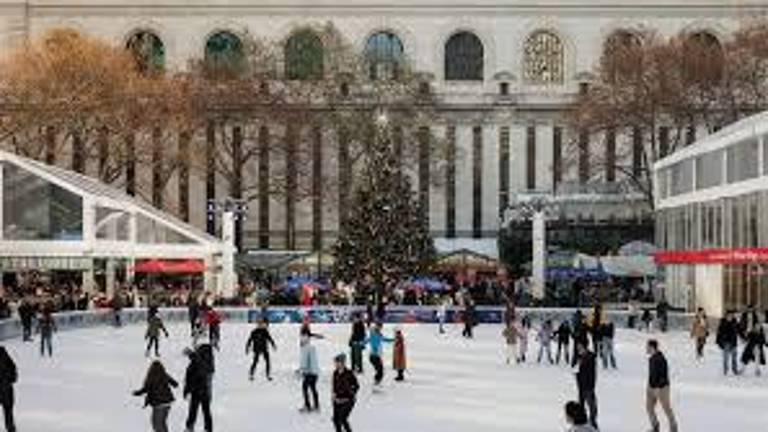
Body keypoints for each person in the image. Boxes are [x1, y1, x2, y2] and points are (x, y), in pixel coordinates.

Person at [132, 360, 178, 432]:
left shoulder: (151, 377)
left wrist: (137, 393)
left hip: (158, 404)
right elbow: (175, 384)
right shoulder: (164, 374)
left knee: (157, 424)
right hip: (167, 404)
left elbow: (146, 388)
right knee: (162, 423)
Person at [646, 339, 678, 432]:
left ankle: (673, 427)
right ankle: (655, 426)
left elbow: (663, 375)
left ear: (652, 347)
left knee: (666, 408)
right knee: (649, 407)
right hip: (651, 387)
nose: (646, 349)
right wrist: (649, 385)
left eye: (647, 347)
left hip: (662, 388)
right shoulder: (651, 358)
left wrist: (658, 387)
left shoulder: (661, 359)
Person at [184, 348, 213, 432]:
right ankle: (192, 426)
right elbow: (188, 378)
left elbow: (190, 378)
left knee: (198, 410)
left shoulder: (199, 364)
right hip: (202, 390)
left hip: (198, 390)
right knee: (200, 410)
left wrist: (187, 390)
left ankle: (192, 427)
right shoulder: (202, 363)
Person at [332, 353, 359, 432]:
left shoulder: (349, 373)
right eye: (335, 362)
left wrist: (351, 392)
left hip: (348, 400)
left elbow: (356, 386)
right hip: (337, 399)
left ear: (342, 363)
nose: (336, 364)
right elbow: (334, 385)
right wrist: (334, 395)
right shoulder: (335, 373)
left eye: (337, 362)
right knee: (335, 420)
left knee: (343, 418)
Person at [574, 341, 598, 430]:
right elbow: (578, 369)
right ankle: (582, 422)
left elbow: (591, 373)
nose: (578, 349)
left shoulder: (590, 357)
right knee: (581, 405)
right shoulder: (581, 357)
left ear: (585, 347)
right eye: (577, 348)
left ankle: (593, 422)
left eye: (580, 347)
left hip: (588, 385)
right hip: (581, 385)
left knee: (592, 405)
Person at [299, 334, 320, 412]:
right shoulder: (312, 348)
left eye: (301, 341)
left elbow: (304, 362)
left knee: (305, 388)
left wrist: (301, 370)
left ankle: (307, 405)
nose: (300, 342)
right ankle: (316, 405)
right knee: (313, 388)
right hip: (315, 372)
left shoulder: (305, 349)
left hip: (309, 373)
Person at [715, 311, 740, 376]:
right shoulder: (723, 322)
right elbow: (719, 332)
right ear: (726, 316)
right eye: (729, 315)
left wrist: (743, 337)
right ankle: (725, 370)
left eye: (731, 315)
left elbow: (739, 330)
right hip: (726, 342)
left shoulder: (735, 322)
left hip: (734, 342)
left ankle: (734, 369)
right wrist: (718, 341)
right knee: (726, 357)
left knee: (734, 357)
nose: (730, 317)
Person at [0, 347, 17, 432]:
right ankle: (11, 428)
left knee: (8, 410)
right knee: (8, 410)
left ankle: (10, 428)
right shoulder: (2, 351)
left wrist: (11, 379)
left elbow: (12, 366)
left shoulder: (2, 351)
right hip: (5, 387)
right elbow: (12, 367)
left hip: (5, 387)